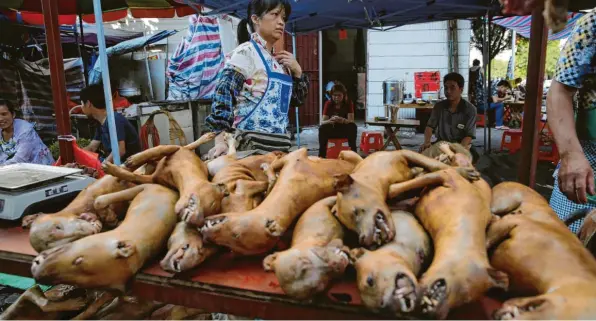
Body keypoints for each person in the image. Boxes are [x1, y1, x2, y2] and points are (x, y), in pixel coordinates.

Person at [205, 0, 308, 158]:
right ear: (256, 19)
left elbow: (295, 101)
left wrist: (298, 73)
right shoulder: (245, 54)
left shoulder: (279, 63)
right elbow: (223, 95)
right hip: (249, 148)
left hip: (278, 145)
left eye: (283, 17)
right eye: (274, 15)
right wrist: (220, 140)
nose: (281, 22)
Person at [547, 10, 596, 233]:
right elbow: (560, 91)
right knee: (563, 247)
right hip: (589, 160)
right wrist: (571, 154)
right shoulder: (593, 23)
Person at [420, 72, 478, 160]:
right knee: (422, 157)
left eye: (452, 87)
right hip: (441, 144)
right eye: (446, 88)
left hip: (461, 145)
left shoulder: (470, 110)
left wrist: (458, 151)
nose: (448, 91)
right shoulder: (439, 107)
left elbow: (469, 136)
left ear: (461, 89)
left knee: (465, 162)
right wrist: (427, 142)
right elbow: (429, 127)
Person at [80, 84, 141, 163]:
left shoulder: (115, 119)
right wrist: (77, 154)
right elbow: (92, 147)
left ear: (88, 104)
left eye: (81, 104)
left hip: (129, 164)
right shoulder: (101, 122)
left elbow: (120, 150)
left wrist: (103, 166)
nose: (81, 107)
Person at [0, 99, 54, 166]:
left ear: (13, 114)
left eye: (4, 114)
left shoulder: (25, 130)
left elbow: (21, 159)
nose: (0, 119)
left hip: (41, 169)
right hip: (15, 170)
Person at [318, 82, 357, 158]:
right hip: (332, 129)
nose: (336, 97)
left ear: (344, 95)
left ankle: (353, 154)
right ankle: (321, 155)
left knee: (353, 127)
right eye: (334, 95)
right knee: (322, 128)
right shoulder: (328, 104)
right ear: (331, 95)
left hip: (344, 129)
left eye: (339, 95)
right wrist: (331, 120)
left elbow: (351, 120)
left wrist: (343, 120)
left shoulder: (348, 103)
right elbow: (323, 122)